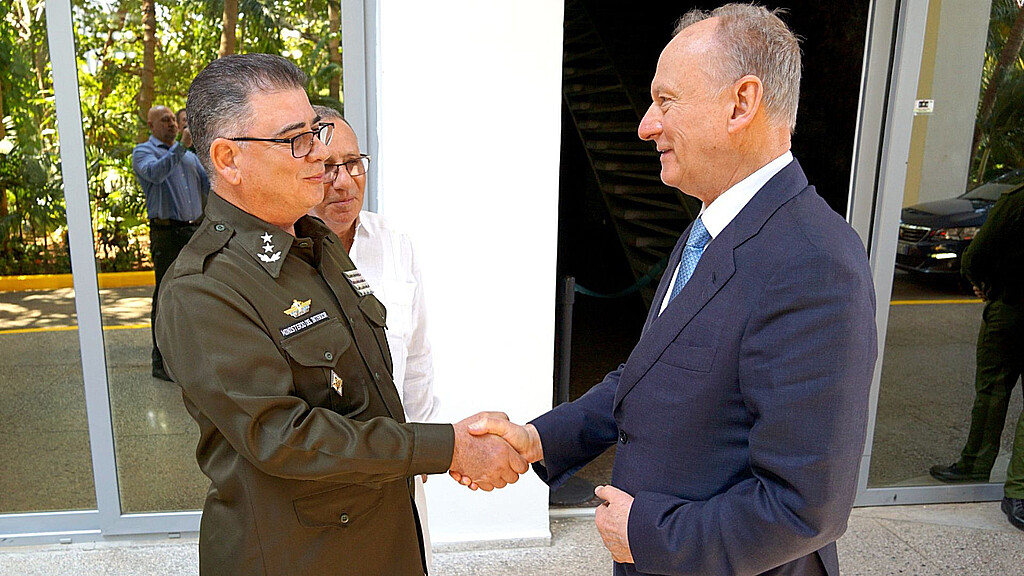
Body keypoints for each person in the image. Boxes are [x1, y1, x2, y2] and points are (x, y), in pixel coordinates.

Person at [463, 5, 877, 575]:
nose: (646, 125)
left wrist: (647, 535)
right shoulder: (709, 227)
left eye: (667, 101)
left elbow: (804, 508)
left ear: (741, 103)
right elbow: (650, 373)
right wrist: (539, 439)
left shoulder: (815, 261)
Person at [155, 53, 527, 576]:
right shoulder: (204, 288)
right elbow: (285, 437)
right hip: (297, 555)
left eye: (316, 131)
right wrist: (447, 448)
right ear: (229, 159)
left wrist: (436, 452)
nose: (318, 153)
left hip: (384, 533)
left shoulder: (317, 243)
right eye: (295, 140)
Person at [309, 104, 441, 569]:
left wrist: (422, 450)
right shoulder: (281, 260)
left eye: (353, 163)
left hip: (399, 465)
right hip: (323, 485)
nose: (344, 182)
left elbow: (417, 357)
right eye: (327, 168)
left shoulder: (394, 242)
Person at [929, 177, 1024, 532]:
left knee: (992, 392)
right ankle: (1017, 491)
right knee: (992, 393)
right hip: (1010, 306)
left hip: (1010, 308)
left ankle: (976, 466)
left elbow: (978, 254)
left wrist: (981, 283)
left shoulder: (1017, 200)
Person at [132, 104, 209, 381]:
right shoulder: (143, 152)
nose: (172, 124)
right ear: (151, 126)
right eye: (164, 120)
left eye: (172, 120)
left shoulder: (188, 157)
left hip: (194, 231)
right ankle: (160, 361)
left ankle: (193, 359)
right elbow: (154, 173)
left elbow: (209, 186)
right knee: (165, 296)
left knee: (197, 294)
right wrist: (179, 148)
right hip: (167, 233)